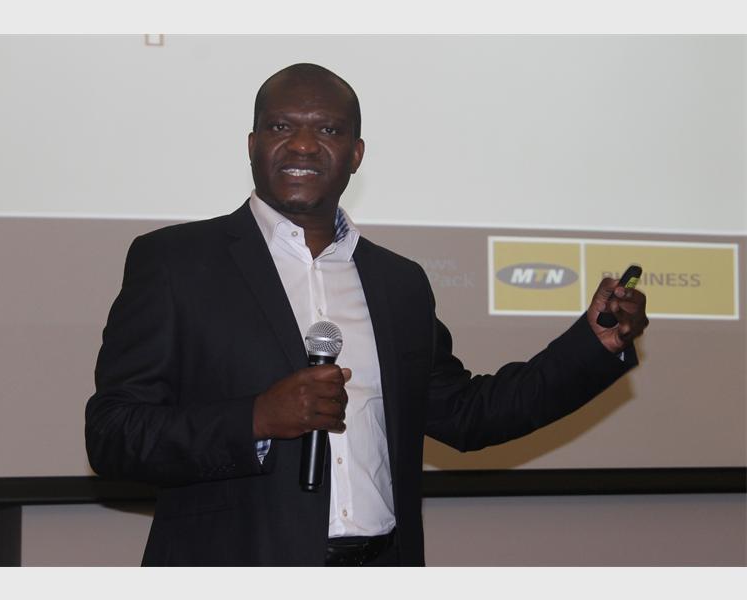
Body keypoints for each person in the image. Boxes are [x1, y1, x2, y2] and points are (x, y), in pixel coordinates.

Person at [85, 63, 649, 566]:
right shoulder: (176, 263)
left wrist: (593, 344)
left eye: (328, 130)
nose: (303, 145)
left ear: (356, 155)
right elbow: (113, 434)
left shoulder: (398, 283)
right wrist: (254, 419)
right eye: (281, 126)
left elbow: (469, 415)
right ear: (253, 145)